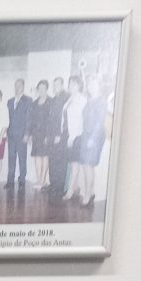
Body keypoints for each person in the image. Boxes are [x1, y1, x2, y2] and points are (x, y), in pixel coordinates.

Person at [73, 76, 108, 209]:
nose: (90, 86)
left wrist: (92, 138)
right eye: (89, 84)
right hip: (85, 135)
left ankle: (87, 196)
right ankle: (90, 192)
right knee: (85, 165)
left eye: (93, 84)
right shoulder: (89, 100)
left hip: (95, 136)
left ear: (99, 85)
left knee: (88, 165)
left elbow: (99, 122)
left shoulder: (101, 101)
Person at [62, 75, 87, 204]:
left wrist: (72, 137)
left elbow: (79, 121)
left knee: (74, 165)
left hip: (76, 136)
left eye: (73, 84)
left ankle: (70, 191)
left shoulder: (81, 99)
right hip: (67, 134)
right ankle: (74, 187)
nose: (71, 86)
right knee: (72, 165)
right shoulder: (70, 99)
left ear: (79, 85)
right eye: (70, 83)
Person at [45, 76, 70, 201]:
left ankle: (59, 187)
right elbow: (50, 119)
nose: (55, 87)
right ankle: (53, 184)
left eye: (57, 85)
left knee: (60, 161)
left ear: (62, 85)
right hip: (51, 135)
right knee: (52, 160)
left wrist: (59, 135)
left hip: (60, 136)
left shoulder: (67, 98)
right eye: (54, 85)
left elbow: (64, 118)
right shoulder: (53, 99)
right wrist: (47, 135)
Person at [5, 78, 30, 193]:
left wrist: (27, 134)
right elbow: (7, 118)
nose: (17, 87)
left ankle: (22, 180)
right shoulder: (10, 101)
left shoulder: (28, 100)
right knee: (11, 158)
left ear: (23, 87)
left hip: (21, 135)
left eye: (19, 85)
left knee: (22, 158)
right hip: (11, 134)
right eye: (16, 85)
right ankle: (10, 181)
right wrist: (6, 133)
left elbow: (29, 118)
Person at [29, 79, 51, 189]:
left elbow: (52, 120)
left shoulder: (51, 102)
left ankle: (43, 180)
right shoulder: (34, 103)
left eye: (43, 88)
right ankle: (39, 180)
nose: (41, 90)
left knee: (45, 156)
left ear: (47, 89)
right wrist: (30, 134)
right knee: (37, 156)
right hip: (36, 134)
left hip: (46, 134)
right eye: (39, 88)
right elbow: (31, 120)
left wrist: (48, 135)